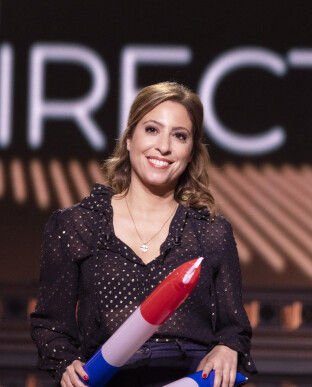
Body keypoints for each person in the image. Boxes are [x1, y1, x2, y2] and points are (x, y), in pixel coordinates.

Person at [30, 82, 256, 387]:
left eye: (179, 136)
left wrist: (227, 348)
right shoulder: (76, 225)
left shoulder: (212, 232)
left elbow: (234, 327)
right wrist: (67, 364)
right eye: (152, 130)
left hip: (189, 379)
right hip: (107, 378)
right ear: (128, 139)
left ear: (191, 152)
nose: (164, 146)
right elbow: (51, 324)